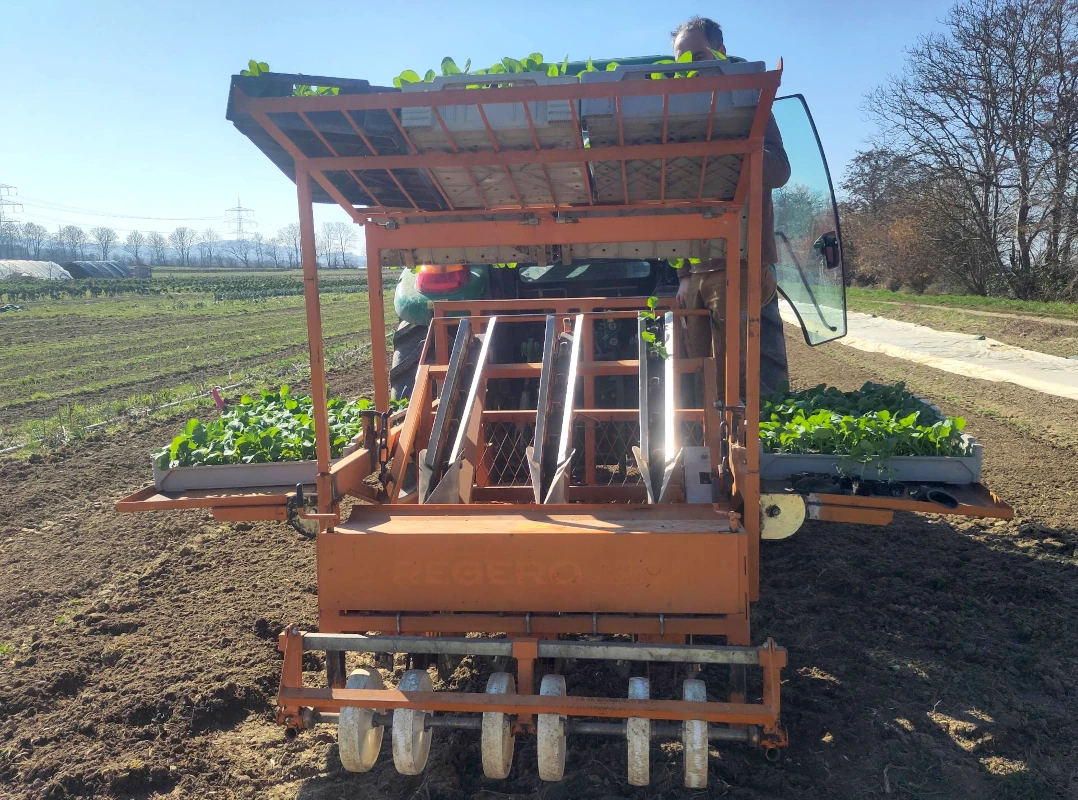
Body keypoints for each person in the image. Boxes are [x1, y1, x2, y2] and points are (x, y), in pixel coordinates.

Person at [671, 15, 791, 396]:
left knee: (741, 382)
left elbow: (780, 169)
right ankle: (700, 450)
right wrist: (683, 274)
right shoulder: (673, 114)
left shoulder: (750, 105)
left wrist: (735, 152)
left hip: (741, 266)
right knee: (694, 379)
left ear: (720, 53)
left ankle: (745, 450)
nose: (690, 66)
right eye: (681, 60)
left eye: (698, 55)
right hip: (695, 271)